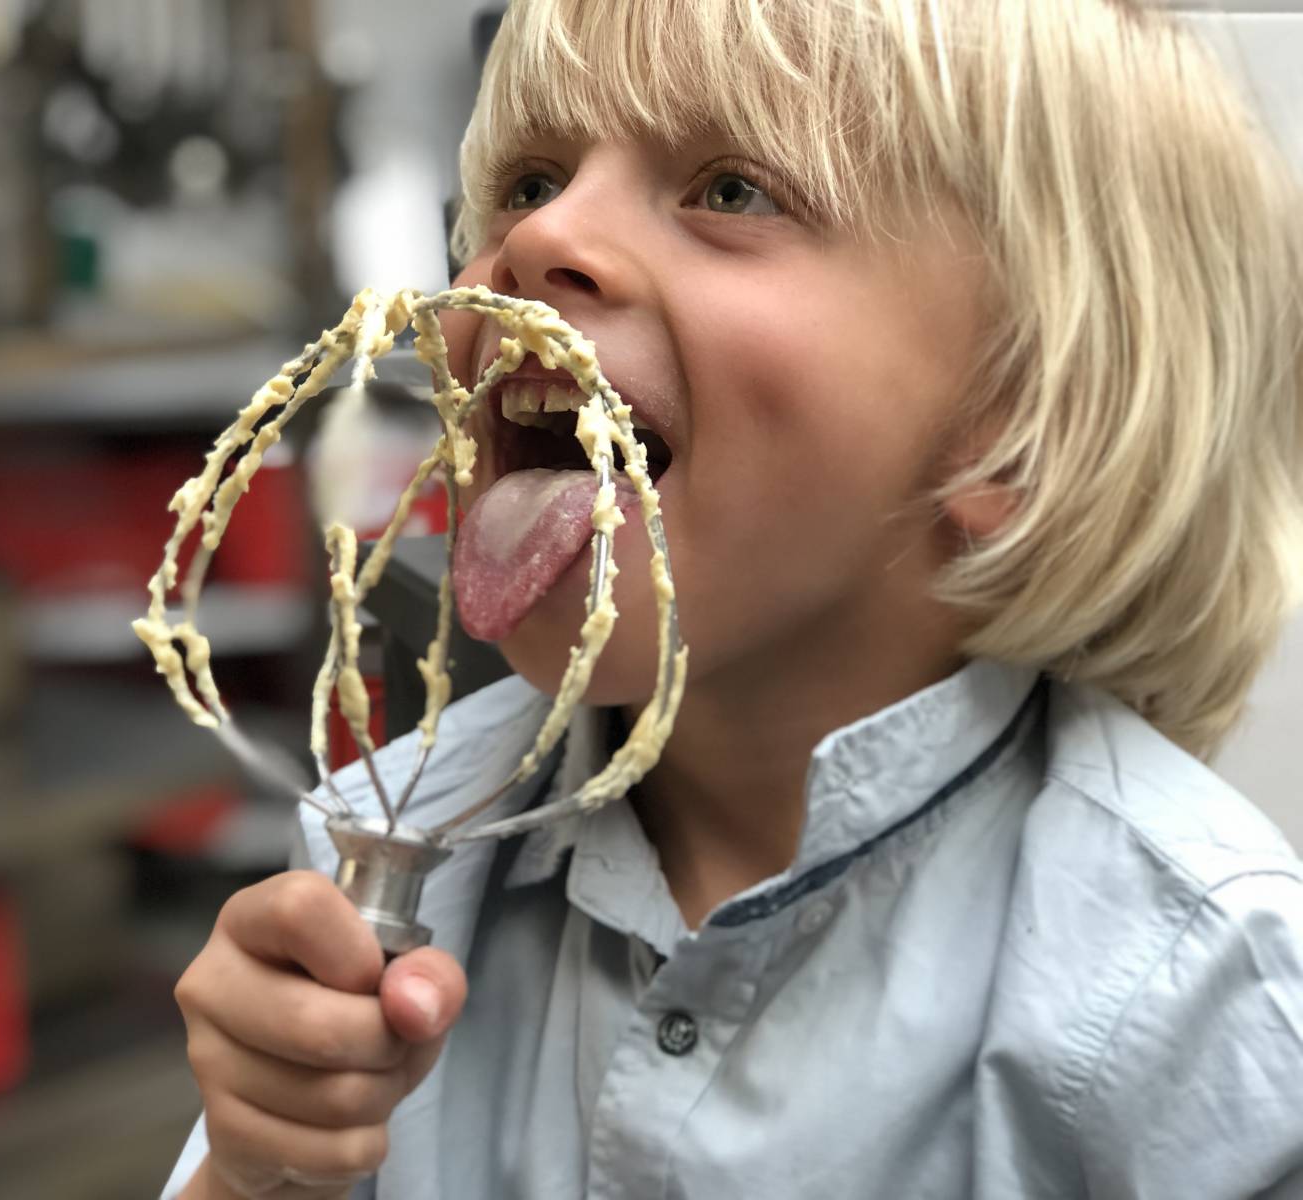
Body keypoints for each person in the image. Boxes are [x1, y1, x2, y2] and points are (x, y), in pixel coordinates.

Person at [163, 0, 1303, 1195]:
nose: (543, 234)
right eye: (528, 178)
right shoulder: (396, 855)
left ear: (1018, 434)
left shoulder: (1207, 1002)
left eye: (732, 191)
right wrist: (255, 1169)